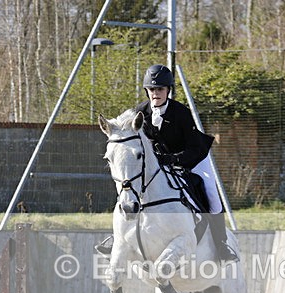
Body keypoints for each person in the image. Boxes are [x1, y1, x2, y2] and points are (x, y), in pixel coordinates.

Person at [96, 64, 238, 262]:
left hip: (192, 157)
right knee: (131, 185)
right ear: (147, 91)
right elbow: (121, 128)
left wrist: (175, 160)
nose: (156, 93)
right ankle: (118, 238)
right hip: (160, 162)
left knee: (211, 194)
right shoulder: (139, 112)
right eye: (152, 89)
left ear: (168, 90)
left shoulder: (181, 113)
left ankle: (221, 244)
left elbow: (194, 148)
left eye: (160, 89)